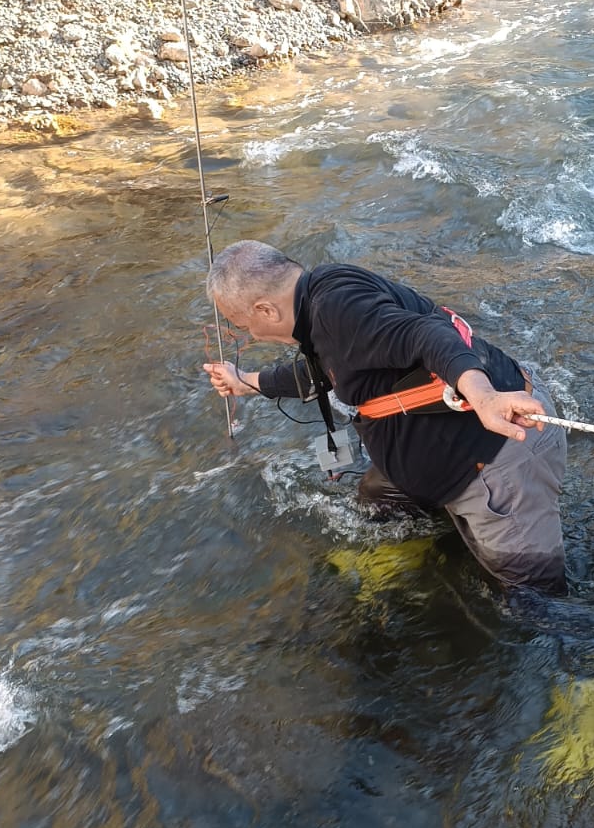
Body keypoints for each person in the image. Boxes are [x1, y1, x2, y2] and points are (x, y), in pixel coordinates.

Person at [203, 240, 567, 593]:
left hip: (501, 452)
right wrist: (245, 382)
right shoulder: (323, 293)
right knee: (378, 500)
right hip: (442, 451)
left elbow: (426, 335)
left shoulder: (338, 313)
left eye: (244, 325)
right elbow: (326, 373)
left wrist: (482, 395)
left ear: (267, 310)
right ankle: (407, 550)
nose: (250, 335)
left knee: (531, 597)